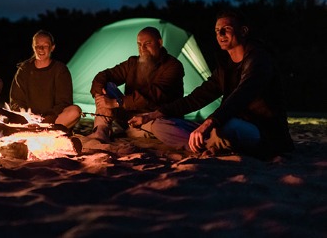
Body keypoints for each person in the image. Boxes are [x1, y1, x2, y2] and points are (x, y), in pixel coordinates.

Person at [129, 10, 294, 159]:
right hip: (224, 124)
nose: (220, 34)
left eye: (226, 29)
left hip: (261, 131)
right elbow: (196, 98)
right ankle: (203, 145)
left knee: (226, 126)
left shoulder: (259, 59)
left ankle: (211, 142)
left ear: (243, 31)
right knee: (160, 124)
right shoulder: (225, 67)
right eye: (217, 31)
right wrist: (151, 115)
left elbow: (242, 94)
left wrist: (210, 122)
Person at [86, 26, 185, 143]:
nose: (142, 48)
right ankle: (101, 131)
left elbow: (153, 94)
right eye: (139, 44)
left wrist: (117, 102)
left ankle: (133, 131)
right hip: (129, 115)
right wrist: (100, 96)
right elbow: (103, 75)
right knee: (106, 86)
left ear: (159, 43)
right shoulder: (132, 63)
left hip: (155, 117)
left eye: (147, 43)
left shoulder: (173, 66)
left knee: (158, 126)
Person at [9, 30, 81, 130]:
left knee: (75, 111)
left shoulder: (60, 70)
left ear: (52, 48)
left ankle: (44, 132)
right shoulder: (24, 69)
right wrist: (29, 116)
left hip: (53, 120)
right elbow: (16, 101)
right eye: (37, 45)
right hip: (28, 120)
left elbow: (64, 101)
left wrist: (47, 118)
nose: (41, 49)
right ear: (33, 47)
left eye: (45, 46)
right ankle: (35, 132)